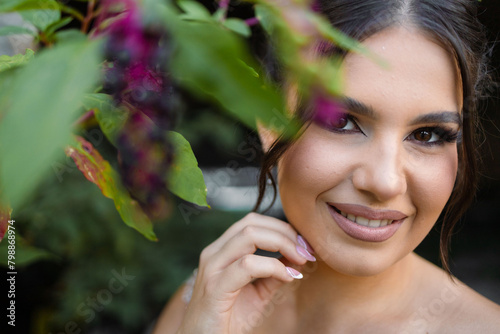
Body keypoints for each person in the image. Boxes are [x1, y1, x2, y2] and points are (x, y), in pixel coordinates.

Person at [153, 0, 500, 333]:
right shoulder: (206, 305)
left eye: (426, 135)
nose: (384, 181)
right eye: (342, 122)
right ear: (268, 122)